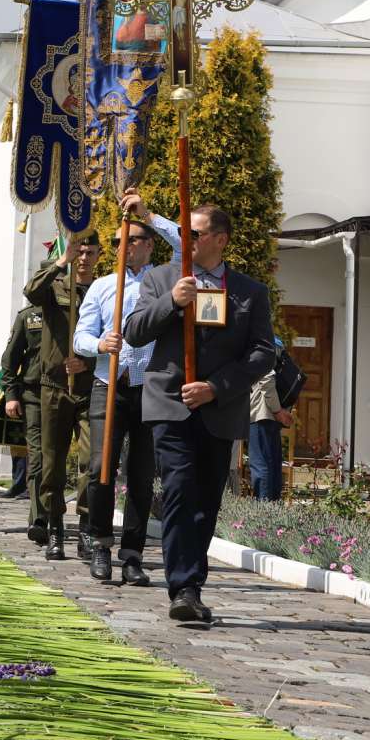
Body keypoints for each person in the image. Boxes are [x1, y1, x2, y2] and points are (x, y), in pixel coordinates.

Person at [124, 205, 276, 625]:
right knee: (178, 490)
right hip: (170, 403)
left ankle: (193, 583)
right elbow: (135, 332)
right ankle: (183, 587)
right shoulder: (160, 279)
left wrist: (217, 387)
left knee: (206, 500)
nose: (185, 240)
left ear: (220, 240)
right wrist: (172, 303)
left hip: (219, 407)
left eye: (195, 233)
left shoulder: (249, 291)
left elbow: (263, 352)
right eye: (183, 232)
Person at [73, 191, 181, 586]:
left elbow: (187, 243)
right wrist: (99, 344)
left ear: (149, 244)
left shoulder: (164, 277)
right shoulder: (104, 285)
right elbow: (80, 336)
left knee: (141, 474)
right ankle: (100, 542)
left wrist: (148, 214)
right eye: (119, 242)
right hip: (110, 383)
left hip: (151, 385)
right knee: (102, 468)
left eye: (131, 240)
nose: (123, 247)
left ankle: (132, 552)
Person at [24, 231, 99, 561]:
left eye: (89, 251)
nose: (83, 257)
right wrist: (61, 262)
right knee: (52, 464)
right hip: (54, 387)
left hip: (90, 387)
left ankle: (85, 527)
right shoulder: (56, 286)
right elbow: (30, 291)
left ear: (98, 255)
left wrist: (88, 361)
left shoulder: (104, 290)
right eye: (78, 251)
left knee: (91, 463)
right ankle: (55, 528)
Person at [0, 305, 44, 523]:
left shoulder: (75, 308)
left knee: (57, 457)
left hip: (68, 393)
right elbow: (10, 359)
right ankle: (39, 517)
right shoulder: (28, 316)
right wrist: (11, 395)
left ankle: (57, 513)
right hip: (33, 393)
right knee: (37, 456)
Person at [248, 337, 294, 501]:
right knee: (272, 464)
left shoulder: (262, 343)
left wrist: (277, 411)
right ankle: (273, 511)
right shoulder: (276, 344)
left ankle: (264, 512)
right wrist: (280, 411)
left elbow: (266, 379)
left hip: (263, 414)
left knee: (260, 465)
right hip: (273, 414)